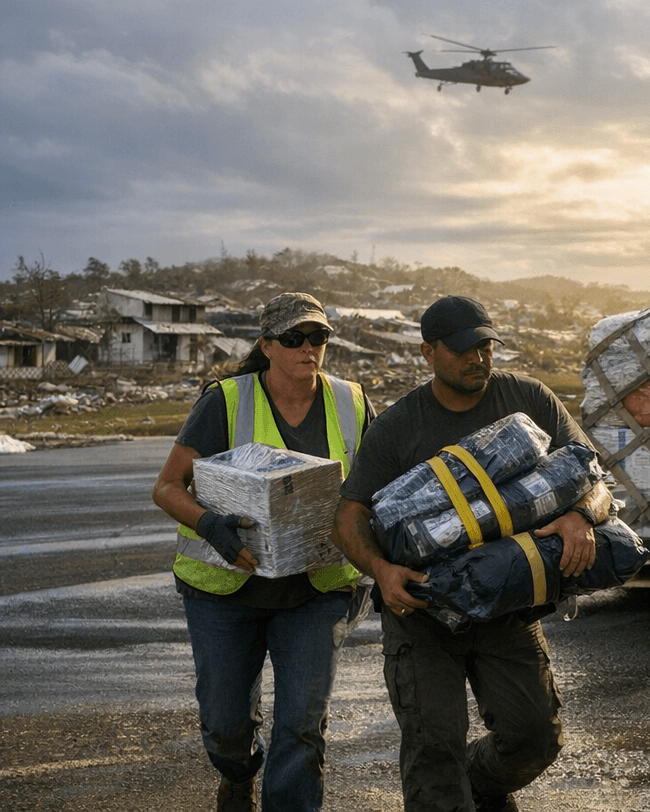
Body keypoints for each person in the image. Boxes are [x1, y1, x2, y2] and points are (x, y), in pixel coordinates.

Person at [332, 295, 613, 812]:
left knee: (535, 739)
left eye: (486, 346)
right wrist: (381, 570)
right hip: (421, 613)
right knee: (433, 749)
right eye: (463, 350)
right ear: (428, 353)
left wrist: (583, 515)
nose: (478, 359)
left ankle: (478, 784)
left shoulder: (529, 399)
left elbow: (595, 479)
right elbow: (348, 516)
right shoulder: (399, 425)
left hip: (507, 605)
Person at [151, 292, 372, 812]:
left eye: (318, 337)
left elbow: (377, 488)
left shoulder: (352, 402)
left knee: (301, 724)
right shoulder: (226, 400)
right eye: (294, 338)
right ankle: (236, 772)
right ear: (267, 345)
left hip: (317, 591)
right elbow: (167, 487)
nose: (308, 348)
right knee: (226, 724)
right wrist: (210, 525)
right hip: (226, 591)